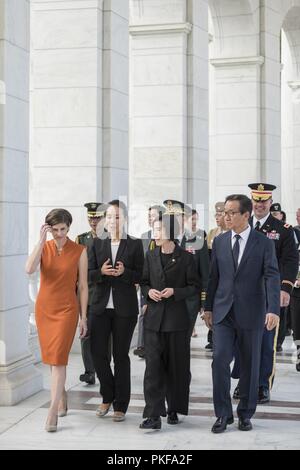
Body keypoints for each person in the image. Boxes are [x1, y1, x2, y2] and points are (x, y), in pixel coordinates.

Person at [203, 194, 280, 434]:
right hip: (224, 312)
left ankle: (245, 413)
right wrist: (207, 308)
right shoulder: (220, 241)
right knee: (219, 362)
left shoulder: (263, 242)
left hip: (252, 312)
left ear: (246, 215)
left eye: (231, 213)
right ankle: (223, 414)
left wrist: (273, 309)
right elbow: (213, 276)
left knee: (250, 364)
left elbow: (271, 276)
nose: (226, 217)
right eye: (225, 212)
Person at [232, 184, 298, 404]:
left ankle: (262, 385)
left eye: (264, 201)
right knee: (242, 340)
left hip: (269, 295)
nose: (260, 205)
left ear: (270, 203)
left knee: (266, 341)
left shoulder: (283, 229)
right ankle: (243, 382)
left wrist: (285, 288)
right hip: (243, 295)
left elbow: (290, 261)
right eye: (256, 201)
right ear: (251, 202)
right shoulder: (242, 225)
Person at [26, 209, 88, 433]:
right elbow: (29, 269)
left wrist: (84, 317)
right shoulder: (45, 247)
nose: (59, 234)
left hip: (67, 310)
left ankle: (52, 412)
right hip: (45, 309)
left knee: (59, 359)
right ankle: (61, 394)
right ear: (48, 229)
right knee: (52, 360)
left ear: (69, 228)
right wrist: (41, 241)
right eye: (55, 230)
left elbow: (82, 287)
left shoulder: (80, 251)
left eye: (63, 229)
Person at [139, 213, 200, 430]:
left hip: (177, 320)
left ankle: (174, 407)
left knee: (177, 367)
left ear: (171, 233)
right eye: (154, 229)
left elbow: (194, 287)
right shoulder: (150, 255)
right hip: (154, 320)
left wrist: (175, 291)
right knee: (152, 367)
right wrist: (149, 292)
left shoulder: (186, 258)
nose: (155, 234)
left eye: (159, 230)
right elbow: (144, 282)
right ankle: (153, 415)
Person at [88, 200, 144, 422]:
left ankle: (121, 404)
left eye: (117, 217)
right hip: (99, 307)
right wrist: (101, 272)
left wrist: (125, 272)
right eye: (109, 217)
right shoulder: (95, 244)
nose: (112, 221)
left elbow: (141, 276)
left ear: (125, 219)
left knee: (120, 356)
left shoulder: (135, 244)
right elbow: (87, 275)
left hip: (125, 308)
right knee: (97, 355)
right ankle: (107, 395)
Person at [76, 202, 107, 385]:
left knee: (106, 335)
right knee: (85, 332)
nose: (93, 222)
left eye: (97, 218)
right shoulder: (81, 240)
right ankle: (89, 371)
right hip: (87, 292)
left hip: (104, 292)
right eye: (91, 218)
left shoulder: (110, 239)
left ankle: (104, 366)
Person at [134, 205, 165, 359]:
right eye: (148, 216)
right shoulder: (144, 237)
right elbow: (140, 260)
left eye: (152, 216)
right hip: (145, 281)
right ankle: (141, 345)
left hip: (160, 283)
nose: (149, 219)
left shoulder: (166, 237)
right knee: (143, 311)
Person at [182, 208, 210, 338]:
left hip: (190, 296)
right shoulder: (172, 238)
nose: (194, 222)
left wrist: (204, 303)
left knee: (184, 336)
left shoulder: (199, 238)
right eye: (191, 219)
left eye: (195, 219)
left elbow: (205, 271)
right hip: (170, 296)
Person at [205, 202, 228, 350]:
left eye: (220, 214)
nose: (217, 217)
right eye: (216, 214)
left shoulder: (230, 233)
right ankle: (212, 337)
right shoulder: (212, 233)